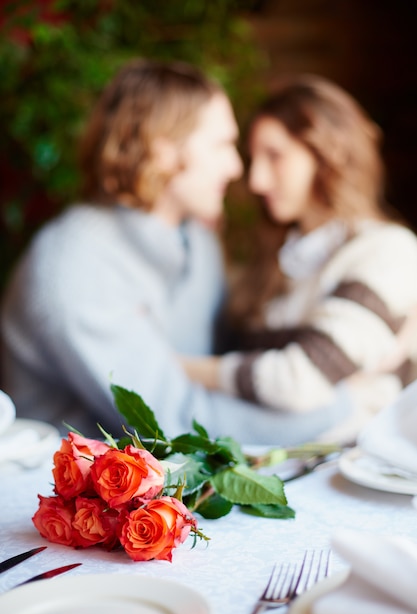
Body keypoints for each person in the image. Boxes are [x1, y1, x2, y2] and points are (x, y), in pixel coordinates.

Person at [0, 60, 351, 446]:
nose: (237, 168)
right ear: (162, 150)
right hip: (63, 494)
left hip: (171, 485)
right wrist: (346, 405)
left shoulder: (197, 242)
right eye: (221, 145)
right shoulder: (75, 265)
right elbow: (175, 425)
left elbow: (227, 358)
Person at [180, 73, 417, 443]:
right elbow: (262, 370)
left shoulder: (387, 251)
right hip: (272, 460)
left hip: (354, 474)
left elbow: (297, 381)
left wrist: (178, 369)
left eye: (275, 156)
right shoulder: (282, 259)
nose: (256, 180)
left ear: (327, 154)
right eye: (253, 158)